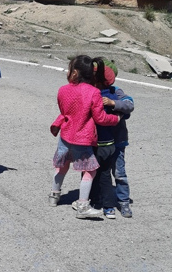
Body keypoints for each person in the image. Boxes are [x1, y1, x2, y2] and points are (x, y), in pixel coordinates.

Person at [49, 55, 120, 219]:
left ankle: (54, 196)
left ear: (75, 72)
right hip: (83, 138)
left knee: (61, 167)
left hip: (65, 135)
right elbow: (100, 118)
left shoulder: (63, 89)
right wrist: (115, 119)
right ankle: (82, 206)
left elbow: (63, 111)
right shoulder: (94, 92)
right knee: (90, 171)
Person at [88, 64, 134, 219]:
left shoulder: (115, 91)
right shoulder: (91, 91)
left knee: (119, 173)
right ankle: (97, 199)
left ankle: (123, 201)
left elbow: (129, 105)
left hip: (118, 141)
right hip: (99, 142)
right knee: (99, 172)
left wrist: (113, 103)